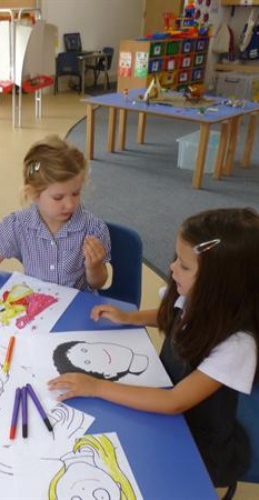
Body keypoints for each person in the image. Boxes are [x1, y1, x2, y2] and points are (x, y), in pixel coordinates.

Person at [48, 207, 259, 490]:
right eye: (176, 258)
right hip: (161, 400)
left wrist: (96, 386)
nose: (172, 268)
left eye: (184, 266)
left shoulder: (238, 345)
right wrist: (130, 317)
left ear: (221, 283)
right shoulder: (194, 295)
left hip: (197, 440)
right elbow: (171, 314)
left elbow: (175, 402)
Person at [0, 135, 110, 307]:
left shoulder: (93, 228)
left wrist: (94, 267)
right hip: (37, 308)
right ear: (33, 194)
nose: (70, 204)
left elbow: (98, 283)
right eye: (58, 197)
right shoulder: (17, 225)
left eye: (76, 193)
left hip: (77, 308)